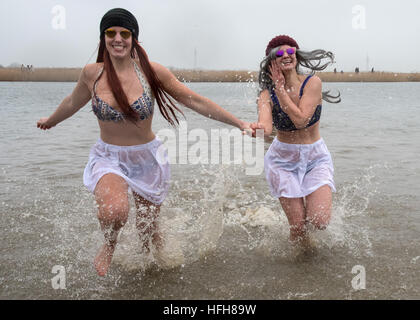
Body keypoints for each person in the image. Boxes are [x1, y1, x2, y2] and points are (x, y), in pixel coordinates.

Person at [37, 8, 254, 276]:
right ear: (103, 38)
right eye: (111, 33)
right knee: (114, 212)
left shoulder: (151, 72)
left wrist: (240, 123)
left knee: (148, 233)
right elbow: (72, 102)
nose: (118, 38)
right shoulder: (92, 74)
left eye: (124, 33)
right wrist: (53, 120)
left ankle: (157, 270)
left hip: (147, 159)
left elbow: (195, 100)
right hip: (109, 157)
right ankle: (109, 244)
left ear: (133, 39)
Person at [250, 35, 340, 245]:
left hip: (315, 158)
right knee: (298, 227)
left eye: (290, 51)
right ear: (272, 62)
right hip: (282, 160)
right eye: (280, 53)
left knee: (319, 221)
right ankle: (299, 259)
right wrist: (258, 129)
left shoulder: (312, 83)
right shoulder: (266, 94)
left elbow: (301, 120)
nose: (286, 55)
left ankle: (309, 208)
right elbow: (267, 126)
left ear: (297, 56)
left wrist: (281, 91)